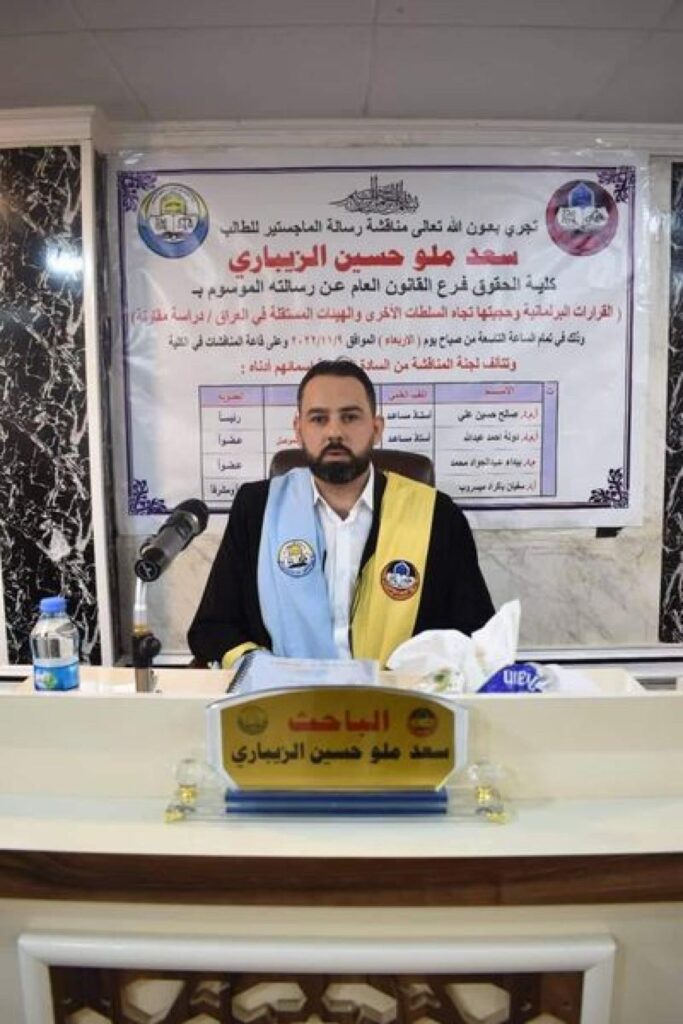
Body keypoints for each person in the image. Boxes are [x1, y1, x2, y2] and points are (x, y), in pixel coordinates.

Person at [188, 359, 494, 668]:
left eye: (350, 417)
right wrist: (262, 668)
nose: (334, 432)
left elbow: (475, 635)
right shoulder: (256, 509)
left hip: (396, 694)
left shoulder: (437, 516)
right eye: (319, 419)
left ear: (376, 429)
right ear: (299, 430)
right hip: (286, 693)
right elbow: (212, 627)